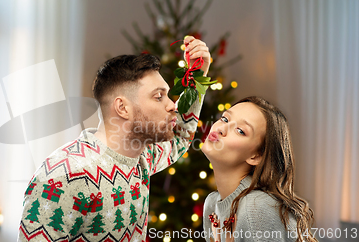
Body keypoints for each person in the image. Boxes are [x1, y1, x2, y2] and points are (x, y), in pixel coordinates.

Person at [18, 36, 211, 241]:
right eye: (158, 96)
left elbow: (179, 137)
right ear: (122, 108)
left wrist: (197, 77)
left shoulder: (142, 156)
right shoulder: (62, 175)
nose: (172, 105)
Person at [201, 96, 317, 242]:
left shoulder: (256, 208)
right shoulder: (212, 205)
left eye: (240, 131)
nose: (221, 128)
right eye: (225, 119)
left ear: (255, 156)